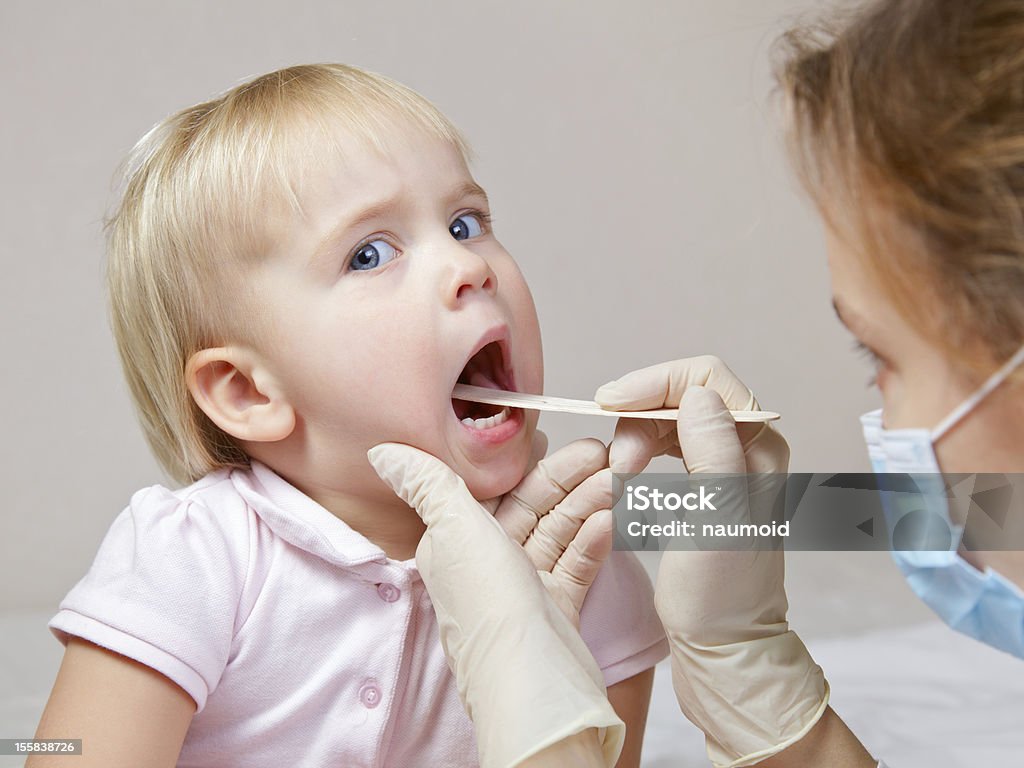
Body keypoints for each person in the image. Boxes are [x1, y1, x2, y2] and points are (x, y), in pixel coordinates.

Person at [373, 0, 1024, 766]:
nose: (467, 266)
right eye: (368, 256)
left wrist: (536, 721)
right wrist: (750, 669)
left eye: (877, 353)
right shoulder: (209, 555)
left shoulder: (609, 577)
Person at [29, 63, 670, 768]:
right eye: (369, 254)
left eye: (467, 222)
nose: (469, 266)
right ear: (248, 392)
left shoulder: (577, 559)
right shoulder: (194, 558)